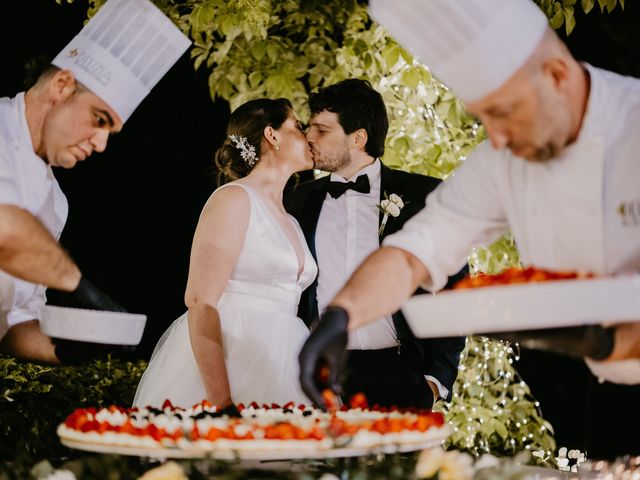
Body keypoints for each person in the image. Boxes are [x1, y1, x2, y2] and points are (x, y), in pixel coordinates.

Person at [299, 0, 640, 409]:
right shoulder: (504, 157)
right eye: (483, 120)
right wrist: (342, 315)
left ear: (556, 75)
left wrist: (608, 338)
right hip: (603, 393)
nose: (495, 139)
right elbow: (414, 253)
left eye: (503, 113)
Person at [0, 0, 190, 364]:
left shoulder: (55, 202)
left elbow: (15, 321)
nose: (101, 144)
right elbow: (7, 232)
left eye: (111, 132)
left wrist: (66, 350)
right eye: (99, 120)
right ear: (61, 85)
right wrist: (80, 287)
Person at [284, 79, 465, 409]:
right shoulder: (297, 200)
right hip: (321, 375)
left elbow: (455, 288)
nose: (309, 137)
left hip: (400, 370)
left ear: (358, 137)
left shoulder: (424, 196)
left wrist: (435, 380)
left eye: (321, 130)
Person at [133, 98, 317, 408]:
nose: (307, 134)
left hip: (286, 360)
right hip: (235, 357)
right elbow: (200, 300)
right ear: (272, 136)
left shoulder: (292, 220)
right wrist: (221, 402)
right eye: (297, 126)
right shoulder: (233, 199)